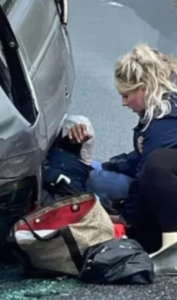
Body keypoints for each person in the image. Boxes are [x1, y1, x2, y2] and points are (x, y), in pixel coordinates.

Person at [67, 44, 177, 274]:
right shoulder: (159, 114)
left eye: (126, 95)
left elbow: (148, 168)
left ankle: (172, 247)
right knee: (100, 174)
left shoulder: (166, 117)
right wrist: (112, 164)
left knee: (154, 168)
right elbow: (140, 159)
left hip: (161, 193)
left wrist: (127, 218)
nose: (124, 103)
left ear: (144, 89)